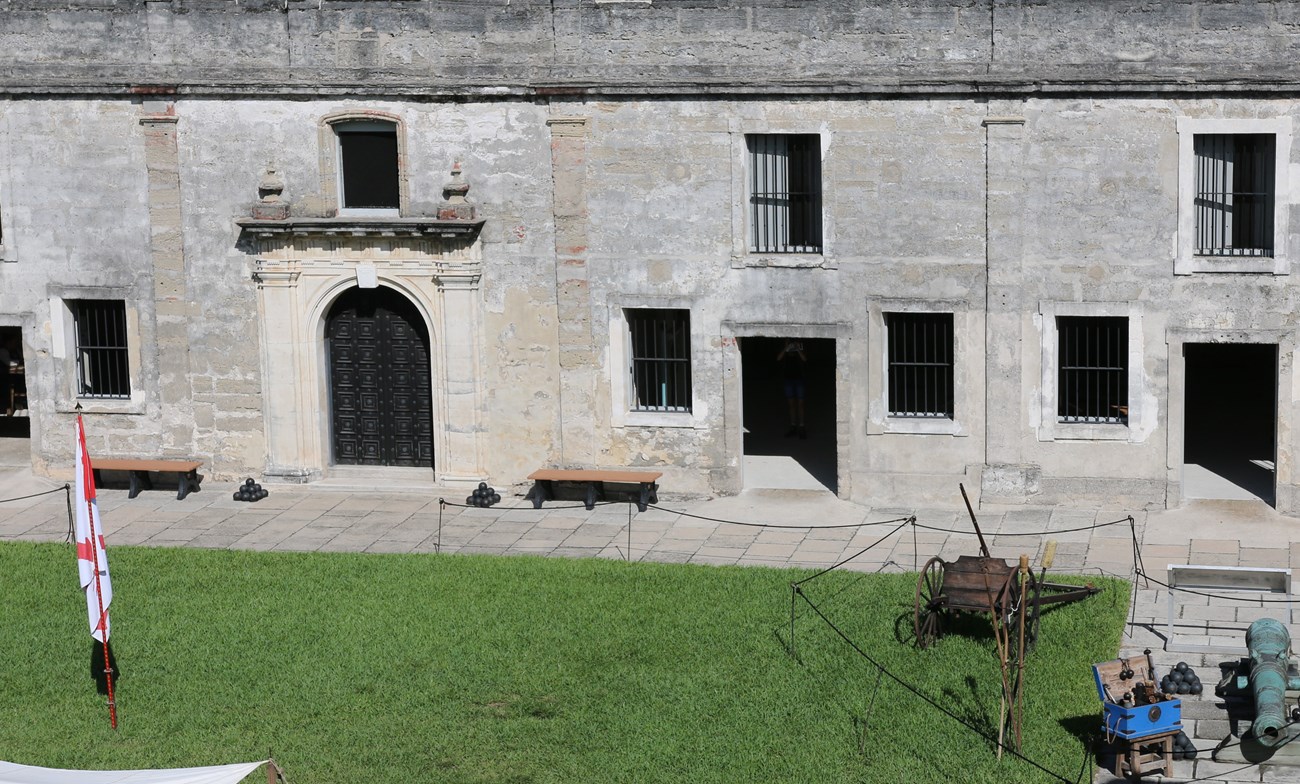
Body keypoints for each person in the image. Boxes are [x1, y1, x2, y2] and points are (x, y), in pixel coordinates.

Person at [777, 339, 807, 438]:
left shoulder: (799, 349)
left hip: (799, 379)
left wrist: (798, 349)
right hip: (788, 380)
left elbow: (804, 359)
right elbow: (778, 358)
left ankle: (801, 426)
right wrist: (786, 347)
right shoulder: (785, 351)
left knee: (801, 404)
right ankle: (793, 426)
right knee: (791, 405)